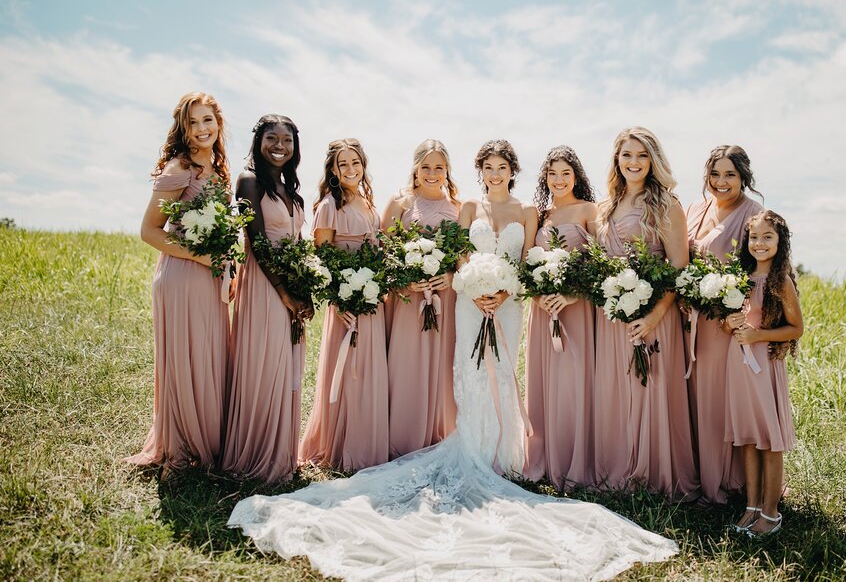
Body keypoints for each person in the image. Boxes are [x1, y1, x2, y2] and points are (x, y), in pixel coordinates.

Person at [228, 139, 678, 580]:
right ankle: (473, 444)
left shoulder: (527, 212)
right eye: (489, 168)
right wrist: (474, 285)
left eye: (503, 168)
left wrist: (504, 289)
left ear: (513, 173)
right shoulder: (465, 209)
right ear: (480, 171)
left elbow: (524, 261)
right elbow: (461, 257)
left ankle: (505, 453)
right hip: (468, 299)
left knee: (502, 373)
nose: (495, 174)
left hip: (510, 301)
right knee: (471, 372)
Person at [127, 91, 230, 476]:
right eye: (193, 122)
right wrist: (201, 256)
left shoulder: (218, 169)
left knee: (208, 357)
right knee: (186, 359)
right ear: (183, 129)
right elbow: (149, 231)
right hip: (181, 276)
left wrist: (225, 266)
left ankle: (206, 442)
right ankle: (182, 451)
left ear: (218, 124)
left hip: (211, 279)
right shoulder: (179, 169)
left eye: (208, 120)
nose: (202, 129)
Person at [592, 127, 699, 499]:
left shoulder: (666, 205)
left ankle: (652, 475)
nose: (633, 162)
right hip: (612, 316)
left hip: (654, 314)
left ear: (653, 160)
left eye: (641, 155)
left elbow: (679, 267)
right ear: (616, 160)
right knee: (617, 389)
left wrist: (655, 315)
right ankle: (619, 469)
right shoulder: (608, 205)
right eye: (626, 155)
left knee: (648, 387)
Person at [223, 115, 311, 484]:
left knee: (286, 365)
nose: (279, 146)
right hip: (264, 285)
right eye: (271, 138)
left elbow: (298, 245)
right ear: (258, 142)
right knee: (264, 363)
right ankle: (256, 455)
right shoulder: (249, 181)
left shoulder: (293, 192)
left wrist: (305, 287)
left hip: (289, 286)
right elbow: (256, 242)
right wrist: (284, 292)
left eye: (287, 140)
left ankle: (283, 454)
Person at [299, 139, 389, 472]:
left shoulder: (368, 203)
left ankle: (369, 441)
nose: (350, 170)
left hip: (372, 299)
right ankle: (342, 446)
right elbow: (322, 257)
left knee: (369, 370)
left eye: (355, 163)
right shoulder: (328, 205)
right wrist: (341, 299)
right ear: (333, 170)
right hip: (347, 303)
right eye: (343, 164)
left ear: (363, 165)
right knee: (349, 371)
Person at [685, 145, 764, 504]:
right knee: (693, 397)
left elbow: (760, 272)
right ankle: (699, 475)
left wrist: (741, 313)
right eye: (715, 174)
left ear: (744, 176)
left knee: (718, 399)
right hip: (689, 322)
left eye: (730, 174)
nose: (721, 182)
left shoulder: (754, 214)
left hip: (725, 326)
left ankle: (726, 482)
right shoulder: (695, 209)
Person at [523, 145, 598, 490]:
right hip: (543, 311)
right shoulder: (541, 215)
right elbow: (527, 263)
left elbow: (601, 264)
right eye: (552, 174)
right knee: (545, 382)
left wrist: (570, 296)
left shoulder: (589, 210)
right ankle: (545, 458)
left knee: (573, 383)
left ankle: (575, 461)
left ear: (576, 176)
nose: (558, 180)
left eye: (565, 173)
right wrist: (539, 296)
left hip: (576, 310)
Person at [724, 210, 803, 536]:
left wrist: (758, 336)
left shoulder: (779, 282)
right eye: (754, 237)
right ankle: (752, 506)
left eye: (767, 237)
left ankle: (771, 512)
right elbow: (728, 316)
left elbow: (796, 328)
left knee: (769, 440)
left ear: (780, 241)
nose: (759, 243)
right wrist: (728, 322)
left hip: (764, 364)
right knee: (748, 437)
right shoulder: (738, 278)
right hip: (738, 365)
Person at [382, 140, 462, 457]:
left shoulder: (457, 207)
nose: (432, 173)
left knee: (441, 366)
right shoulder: (400, 203)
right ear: (416, 168)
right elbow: (383, 250)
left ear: (447, 171)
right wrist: (405, 277)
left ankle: (437, 434)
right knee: (405, 364)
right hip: (407, 298)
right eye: (426, 166)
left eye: (439, 167)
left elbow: (462, 258)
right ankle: (401, 437)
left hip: (444, 298)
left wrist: (452, 277)